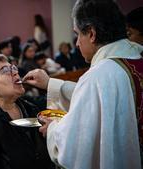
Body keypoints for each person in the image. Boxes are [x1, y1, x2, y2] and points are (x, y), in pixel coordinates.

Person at [23, 0, 143, 168]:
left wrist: (52, 129)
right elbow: (102, 99)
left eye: (77, 34)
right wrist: (50, 83)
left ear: (92, 33)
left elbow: (74, 147)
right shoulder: (136, 58)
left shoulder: (99, 75)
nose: (77, 43)